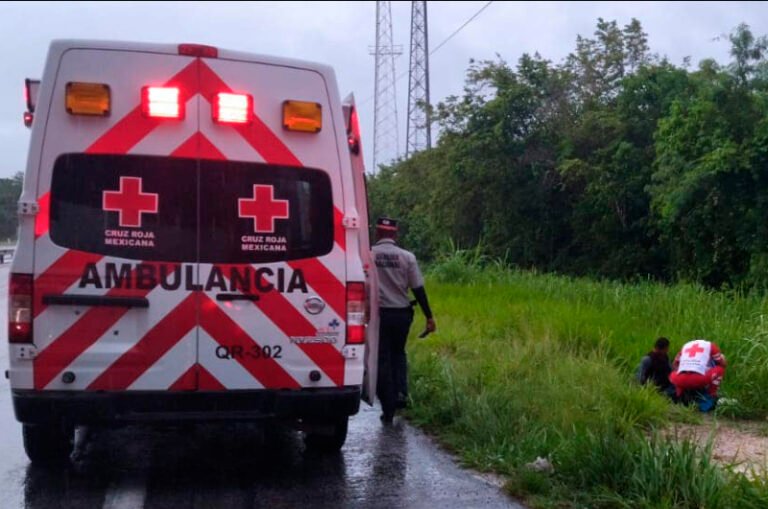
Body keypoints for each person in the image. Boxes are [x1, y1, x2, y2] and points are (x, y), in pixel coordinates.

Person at [372, 217, 436, 424]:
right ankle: (400, 392)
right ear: (395, 234)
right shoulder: (407, 257)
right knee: (398, 353)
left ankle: (387, 405)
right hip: (401, 314)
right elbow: (418, 289)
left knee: (382, 357)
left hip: (379, 315)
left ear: (377, 233)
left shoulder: (369, 255)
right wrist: (429, 316)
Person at [669, 338, 727, 407]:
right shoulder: (711, 346)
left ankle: (679, 394)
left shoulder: (686, 345)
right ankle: (712, 394)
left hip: (678, 380)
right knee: (720, 369)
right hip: (698, 380)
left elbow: (675, 364)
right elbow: (722, 363)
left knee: (676, 373)